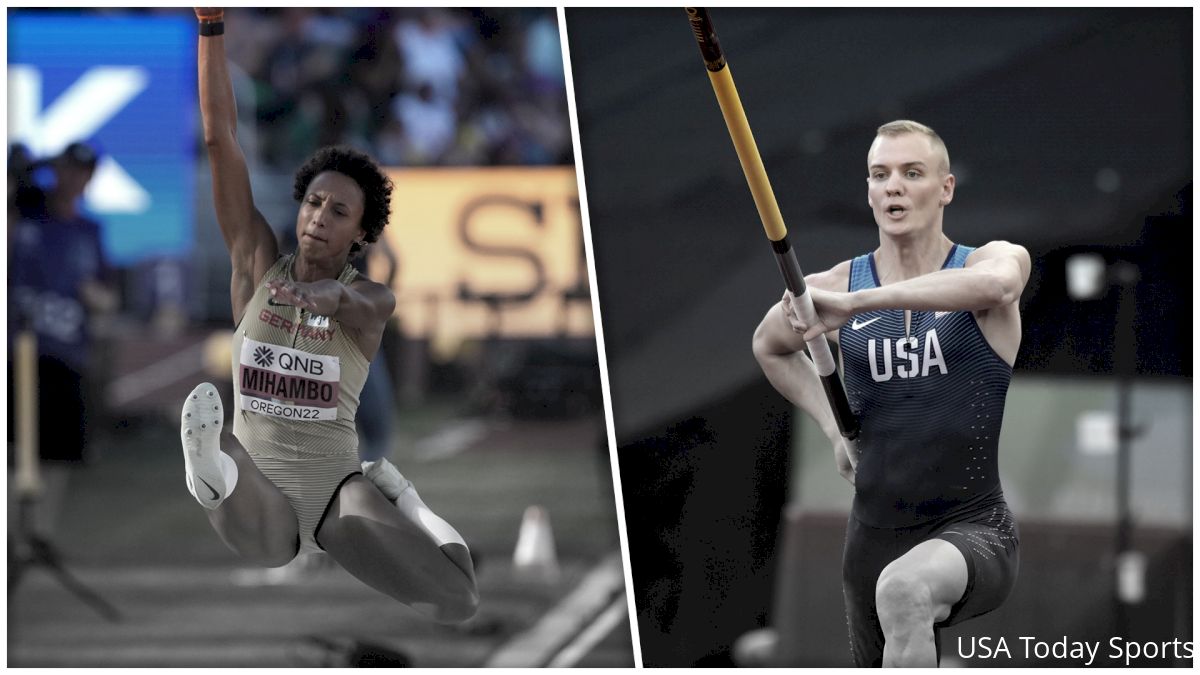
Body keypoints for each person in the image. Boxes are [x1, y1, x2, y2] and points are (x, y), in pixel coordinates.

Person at [183, 7, 476, 623]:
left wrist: (327, 298)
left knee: (459, 599)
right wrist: (212, 27)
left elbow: (359, 301)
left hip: (339, 494)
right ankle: (209, 469)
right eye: (314, 202)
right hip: (259, 482)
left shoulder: (371, 301)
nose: (319, 216)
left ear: (361, 231)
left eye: (338, 211)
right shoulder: (255, 264)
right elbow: (220, 138)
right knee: (268, 546)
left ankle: (409, 502)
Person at [752, 120, 1030, 667]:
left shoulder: (986, 262)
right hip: (872, 537)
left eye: (911, 173)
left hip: (974, 527)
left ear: (945, 188)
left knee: (904, 590)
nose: (893, 186)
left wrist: (861, 304)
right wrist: (834, 431)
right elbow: (769, 346)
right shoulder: (831, 287)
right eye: (880, 175)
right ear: (869, 192)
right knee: (890, 603)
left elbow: (999, 286)